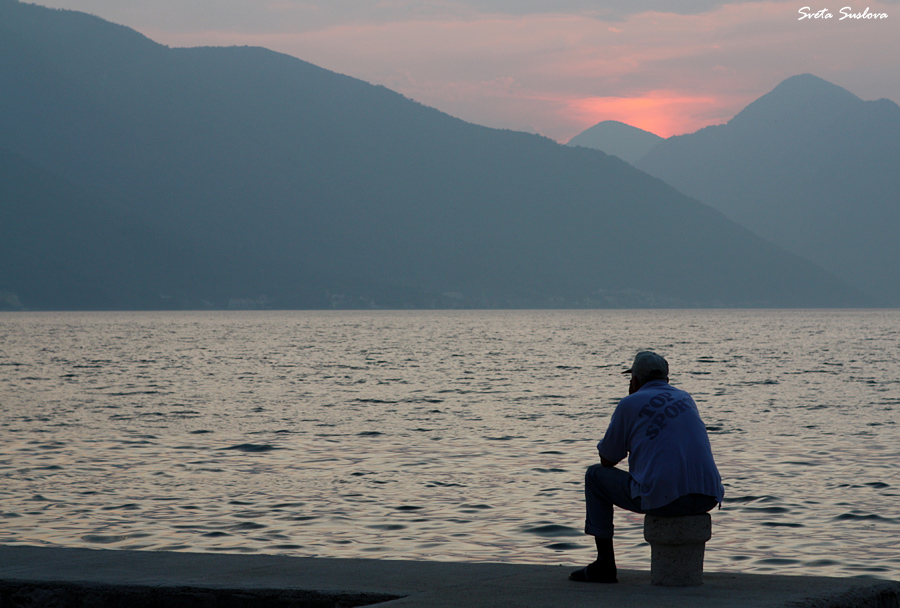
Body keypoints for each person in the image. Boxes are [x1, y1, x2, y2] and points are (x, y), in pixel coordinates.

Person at [570, 351, 724, 583]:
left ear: (635, 381)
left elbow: (607, 460)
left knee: (594, 477)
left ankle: (604, 565)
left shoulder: (629, 403)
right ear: (667, 381)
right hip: (708, 496)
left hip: (666, 499)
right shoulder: (685, 397)